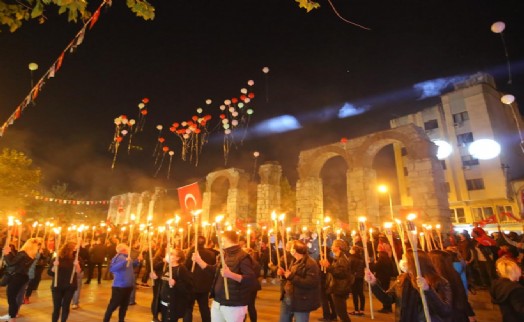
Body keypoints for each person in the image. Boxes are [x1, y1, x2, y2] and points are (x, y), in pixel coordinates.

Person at [365, 249, 452, 322]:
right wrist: (374, 283)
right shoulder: (402, 280)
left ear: (413, 262)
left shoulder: (439, 282)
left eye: (404, 259)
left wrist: (428, 290)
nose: (401, 262)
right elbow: (387, 299)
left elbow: (445, 310)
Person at [192, 230, 257, 322]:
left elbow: (251, 280)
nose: (220, 243)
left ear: (227, 240)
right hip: (218, 302)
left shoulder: (243, 256)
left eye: (222, 240)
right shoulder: (224, 254)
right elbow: (215, 271)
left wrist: (231, 275)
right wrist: (199, 261)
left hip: (234, 305)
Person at [277, 239, 321, 322]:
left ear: (295, 250)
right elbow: (290, 277)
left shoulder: (310, 263)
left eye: (292, 248)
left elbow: (311, 282)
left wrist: (291, 276)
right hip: (288, 297)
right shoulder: (295, 260)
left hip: (301, 300)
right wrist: (283, 274)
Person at [429, 250, 476, 322]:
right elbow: (462, 296)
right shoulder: (454, 274)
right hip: (459, 314)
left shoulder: (438, 281)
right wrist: (470, 313)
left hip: (449, 316)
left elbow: (439, 305)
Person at [2, 238, 40, 322]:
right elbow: (16, 261)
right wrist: (10, 252)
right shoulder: (32, 255)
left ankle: (12, 318)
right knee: (14, 297)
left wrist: (6, 253)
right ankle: (12, 316)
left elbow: (11, 263)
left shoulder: (23, 253)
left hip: (16, 277)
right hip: (23, 277)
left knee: (11, 298)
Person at [102, 243, 142, 322]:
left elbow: (131, 265)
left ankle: (121, 320)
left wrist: (138, 260)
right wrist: (124, 262)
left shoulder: (127, 257)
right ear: (123, 250)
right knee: (113, 305)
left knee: (124, 306)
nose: (129, 250)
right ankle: (106, 320)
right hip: (120, 286)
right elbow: (112, 268)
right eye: (127, 249)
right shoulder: (118, 257)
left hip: (128, 285)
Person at [152, 248, 193, 322]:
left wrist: (176, 284)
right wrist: (157, 278)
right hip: (164, 304)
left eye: (171, 254)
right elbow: (164, 282)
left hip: (173, 305)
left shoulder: (181, 269)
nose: (168, 255)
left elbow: (188, 288)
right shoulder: (168, 267)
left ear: (177, 258)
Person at [183, 236, 216, 322]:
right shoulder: (211, 254)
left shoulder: (192, 253)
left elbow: (186, 266)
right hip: (204, 285)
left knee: (188, 307)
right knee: (204, 307)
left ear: (194, 242)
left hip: (192, 284)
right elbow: (212, 268)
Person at [48, 242, 82, 322]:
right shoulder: (57, 258)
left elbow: (79, 272)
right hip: (57, 285)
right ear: (69, 250)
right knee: (56, 307)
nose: (76, 251)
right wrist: (54, 266)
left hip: (69, 286)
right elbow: (50, 272)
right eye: (74, 249)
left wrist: (77, 265)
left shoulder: (76, 258)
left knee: (66, 306)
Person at [320, 239, 352, 322]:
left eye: (333, 245)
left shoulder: (342, 259)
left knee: (342, 313)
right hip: (337, 287)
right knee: (340, 311)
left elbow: (341, 273)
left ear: (338, 247)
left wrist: (328, 267)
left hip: (340, 288)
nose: (331, 247)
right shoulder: (338, 257)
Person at [490, 257, 524, 322]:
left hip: (507, 317)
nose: (520, 270)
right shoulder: (516, 289)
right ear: (514, 271)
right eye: (518, 268)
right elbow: (521, 310)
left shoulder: (497, 283)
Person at [348, 245, 365, 316]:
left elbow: (349, 268)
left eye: (351, 249)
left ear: (354, 251)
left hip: (354, 278)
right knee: (361, 293)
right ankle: (361, 310)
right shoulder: (361, 258)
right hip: (360, 277)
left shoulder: (351, 258)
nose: (350, 250)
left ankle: (356, 310)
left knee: (355, 294)